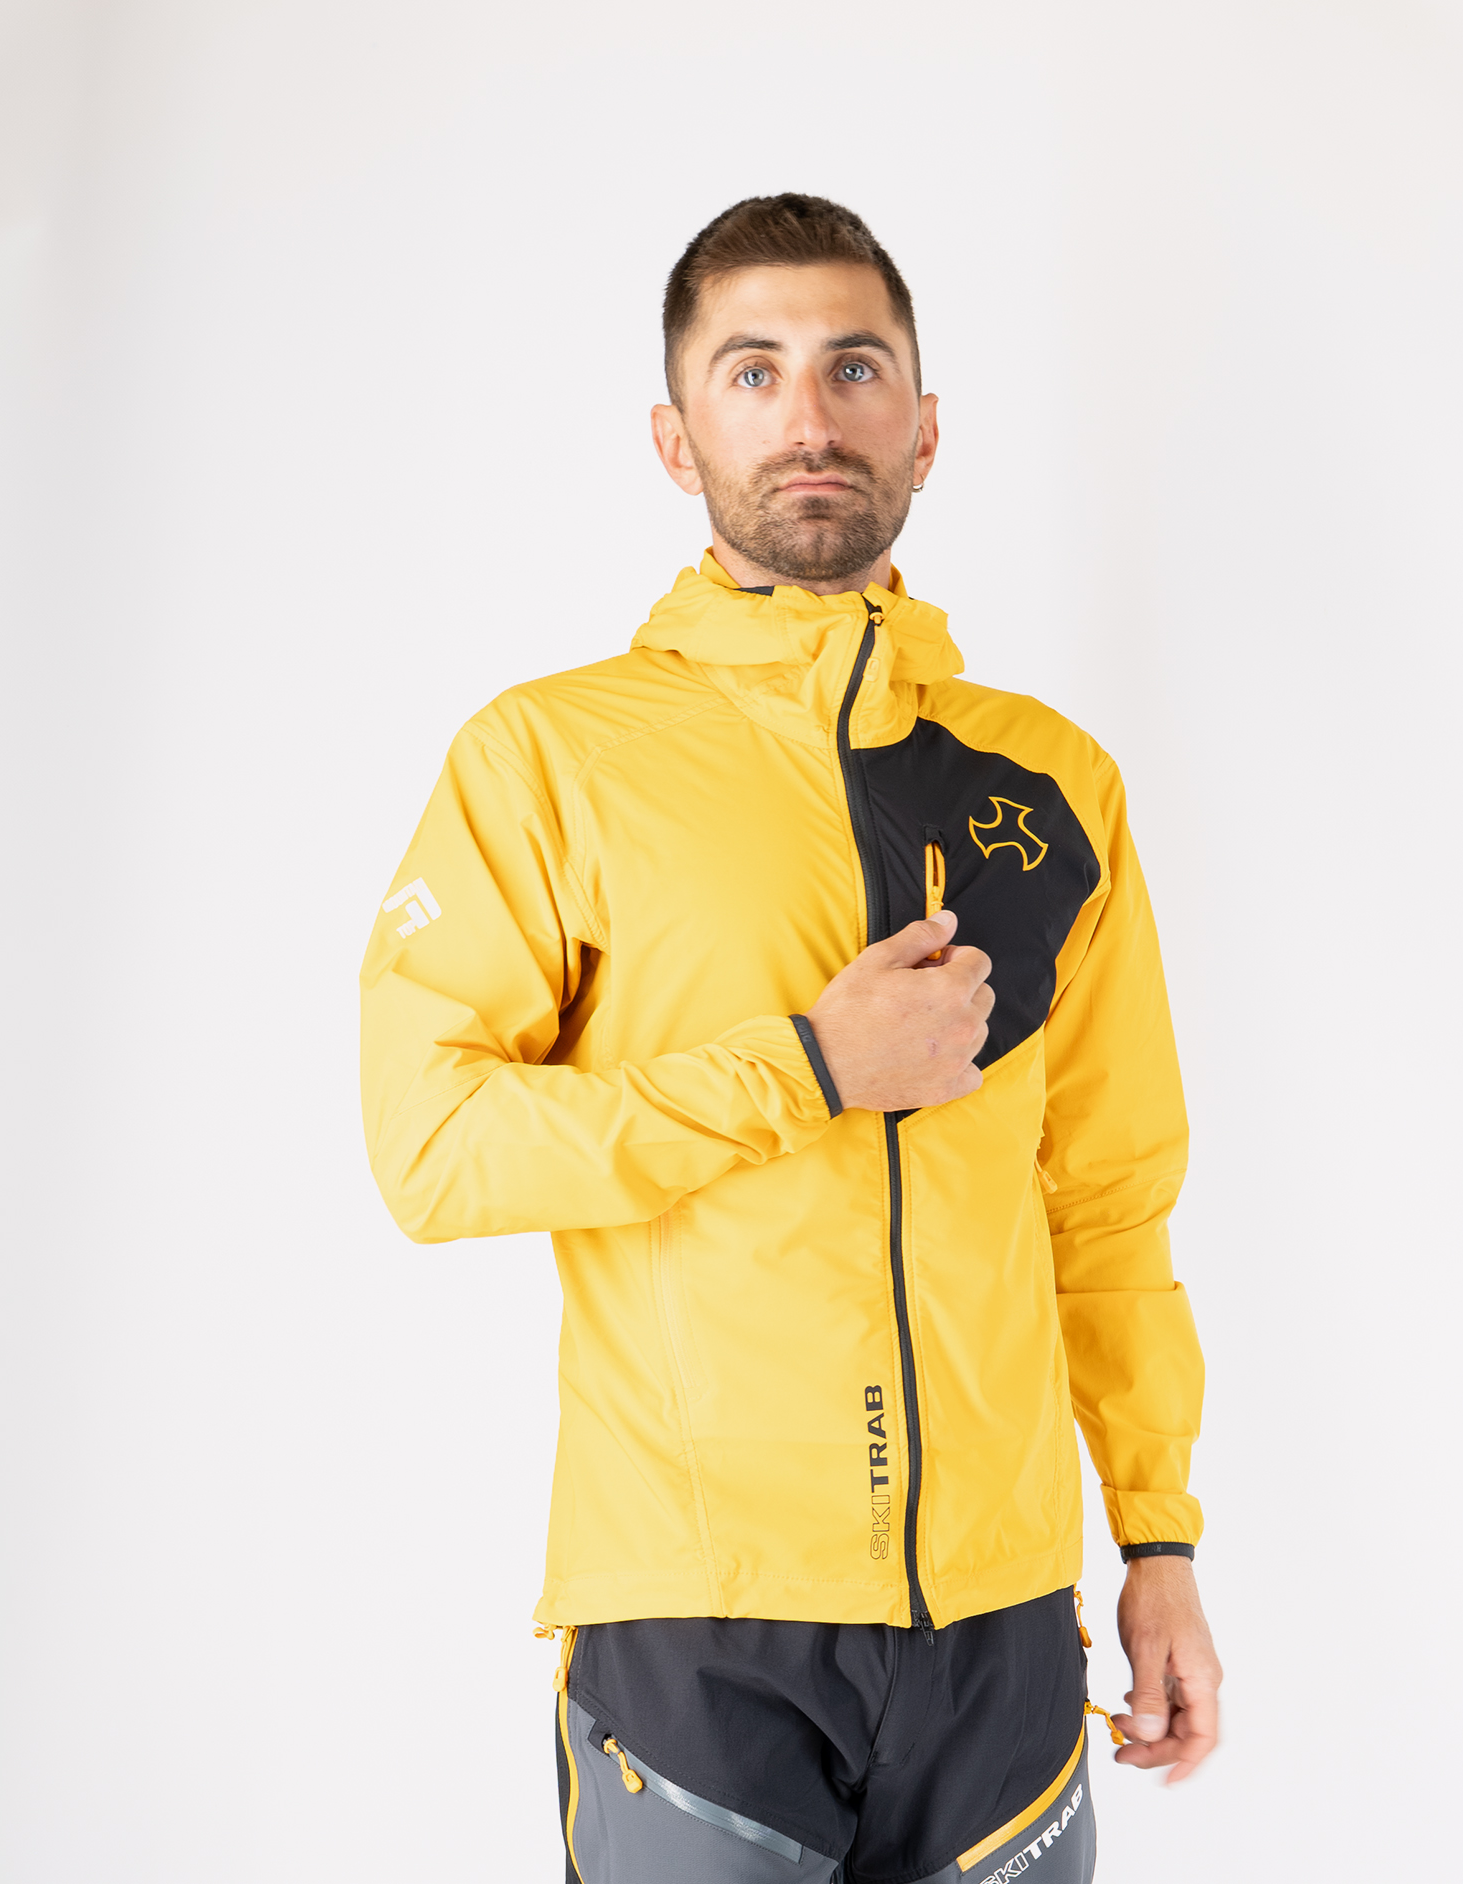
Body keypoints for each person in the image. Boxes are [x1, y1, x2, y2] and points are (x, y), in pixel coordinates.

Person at [360, 194, 1219, 1884]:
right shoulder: (551, 760)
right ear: (676, 440)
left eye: (854, 368)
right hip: (699, 1624)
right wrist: (809, 1071)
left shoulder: (1052, 783)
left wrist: (1158, 1536)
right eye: (752, 373)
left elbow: (1107, 1201)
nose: (809, 415)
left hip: (1003, 1626)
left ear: (926, 428)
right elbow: (435, 1148)